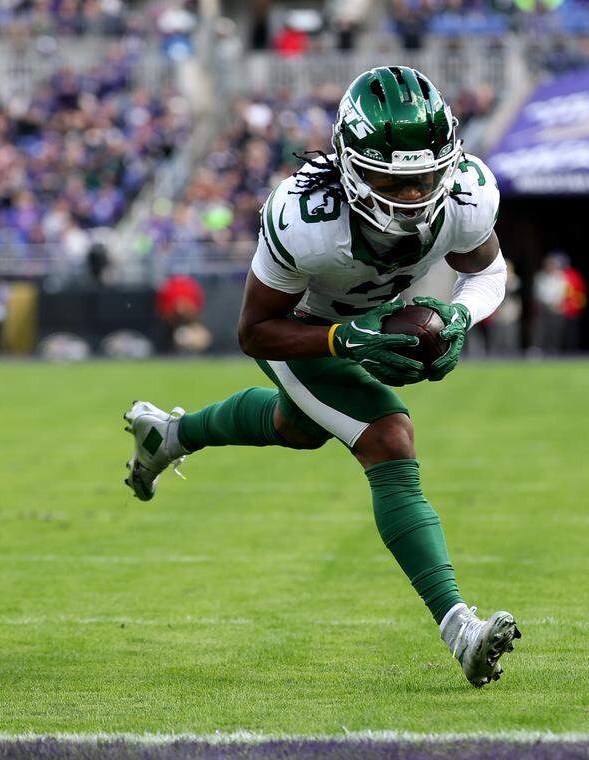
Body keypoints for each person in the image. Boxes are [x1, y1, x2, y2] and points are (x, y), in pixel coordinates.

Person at [124, 67, 518, 687]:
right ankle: (459, 626)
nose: (416, 196)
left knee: (299, 427)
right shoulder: (306, 218)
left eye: (426, 177)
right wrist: (346, 337)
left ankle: (170, 436)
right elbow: (254, 331)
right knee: (387, 436)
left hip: (360, 322)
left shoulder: (466, 197)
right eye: (398, 180)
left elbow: (490, 274)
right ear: (354, 168)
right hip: (301, 330)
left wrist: (459, 316)